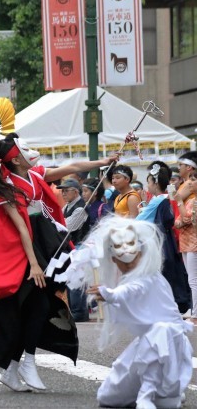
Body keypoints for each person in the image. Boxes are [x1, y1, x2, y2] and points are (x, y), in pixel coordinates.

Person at [0, 132, 117, 392]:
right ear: (15, 160)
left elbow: (70, 168)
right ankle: (24, 361)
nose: (30, 150)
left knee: (37, 306)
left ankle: (17, 366)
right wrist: (35, 264)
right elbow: (21, 227)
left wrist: (103, 161)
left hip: (42, 244)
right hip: (19, 251)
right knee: (32, 306)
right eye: (22, 148)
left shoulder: (34, 174)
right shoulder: (6, 184)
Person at [82, 217, 193, 408]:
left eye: (133, 255)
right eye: (122, 260)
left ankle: (148, 395)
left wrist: (109, 294)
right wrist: (109, 295)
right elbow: (128, 294)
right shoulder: (133, 279)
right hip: (149, 339)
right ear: (114, 259)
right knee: (108, 396)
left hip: (169, 337)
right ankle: (163, 391)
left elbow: (133, 290)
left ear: (141, 252)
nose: (128, 260)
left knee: (159, 336)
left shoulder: (148, 277)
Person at [136, 163, 191, 315]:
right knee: (176, 273)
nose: (147, 185)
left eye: (149, 182)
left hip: (159, 241)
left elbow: (140, 220)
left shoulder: (157, 200)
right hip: (171, 237)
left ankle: (164, 307)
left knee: (162, 274)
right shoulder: (169, 196)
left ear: (155, 183)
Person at [57, 179, 90, 323]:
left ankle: (80, 312)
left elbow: (67, 226)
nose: (63, 194)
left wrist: (58, 222)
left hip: (80, 246)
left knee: (76, 281)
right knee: (69, 279)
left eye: (66, 190)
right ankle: (73, 309)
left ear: (76, 192)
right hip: (71, 248)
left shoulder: (80, 208)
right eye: (62, 191)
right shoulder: (67, 207)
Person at [173, 168, 197, 325]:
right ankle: (194, 311)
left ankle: (195, 315)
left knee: (194, 280)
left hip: (194, 242)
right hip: (185, 242)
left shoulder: (193, 201)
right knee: (191, 280)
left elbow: (187, 219)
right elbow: (178, 221)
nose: (191, 183)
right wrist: (181, 220)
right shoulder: (190, 200)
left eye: (194, 180)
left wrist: (179, 202)